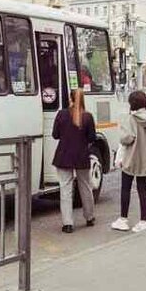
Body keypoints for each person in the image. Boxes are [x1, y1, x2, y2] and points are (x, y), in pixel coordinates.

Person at [111, 90, 146, 233]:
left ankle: (123, 220)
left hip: (131, 159)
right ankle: (143, 221)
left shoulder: (131, 119)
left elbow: (126, 139)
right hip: (145, 160)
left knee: (125, 188)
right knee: (142, 189)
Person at [52, 88, 97, 233]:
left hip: (63, 156)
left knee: (65, 189)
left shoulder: (61, 114)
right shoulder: (88, 117)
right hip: (82, 156)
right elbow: (92, 138)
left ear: (70, 98)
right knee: (85, 186)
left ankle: (68, 223)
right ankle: (89, 217)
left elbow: (55, 135)